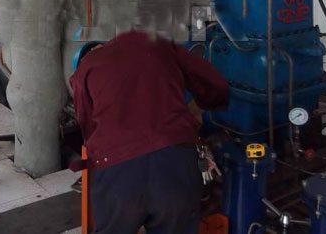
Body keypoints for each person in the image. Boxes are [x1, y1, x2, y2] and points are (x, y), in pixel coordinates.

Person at [70, 30, 229, 234]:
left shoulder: (86, 67)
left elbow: (87, 127)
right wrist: (196, 110)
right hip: (176, 163)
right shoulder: (158, 44)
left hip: (118, 174)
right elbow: (216, 85)